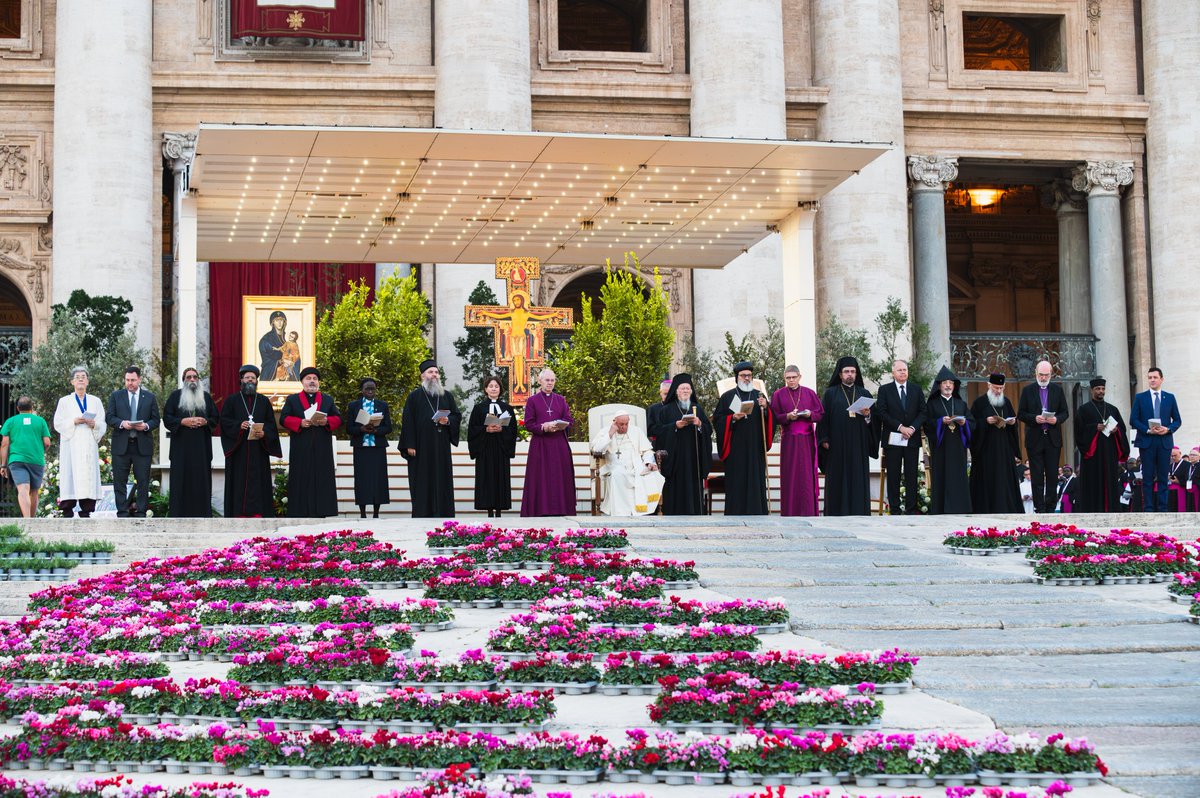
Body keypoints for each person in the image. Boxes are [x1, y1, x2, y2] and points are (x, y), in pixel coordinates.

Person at [399, 359, 461, 518]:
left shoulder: (446, 396)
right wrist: (410, 444)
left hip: (441, 446)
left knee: (442, 481)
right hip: (420, 447)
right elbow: (408, 421)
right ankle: (422, 513)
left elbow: (456, 416)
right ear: (422, 376)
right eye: (430, 372)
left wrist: (447, 421)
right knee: (422, 481)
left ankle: (443, 513)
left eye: (436, 372)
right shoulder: (414, 396)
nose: (434, 375)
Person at [818, 356, 878, 516]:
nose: (850, 374)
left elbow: (873, 423)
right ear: (840, 374)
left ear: (856, 374)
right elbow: (823, 419)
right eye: (846, 372)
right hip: (837, 445)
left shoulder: (864, 393)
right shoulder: (830, 394)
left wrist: (868, 416)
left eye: (852, 372)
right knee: (838, 479)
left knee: (857, 479)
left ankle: (859, 511)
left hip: (859, 446)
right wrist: (824, 439)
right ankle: (836, 512)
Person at [219, 364, 282, 517]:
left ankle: (259, 513)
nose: (250, 380)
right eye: (247, 377)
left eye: (253, 378)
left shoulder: (263, 401)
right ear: (241, 380)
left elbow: (271, 425)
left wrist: (264, 432)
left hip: (258, 450)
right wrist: (239, 426)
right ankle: (238, 513)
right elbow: (225, 421)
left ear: (256, 381)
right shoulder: (231, 400)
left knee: (259, 481)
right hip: (238, 450)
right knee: (238, 482)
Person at [712, 361, 774, 515]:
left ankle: (757, 512)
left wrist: (766, 408)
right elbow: (717, 420)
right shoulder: (727, 397)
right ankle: (735, 513)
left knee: (755, 480)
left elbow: (771, 420)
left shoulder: (759, 396)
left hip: (755, 448)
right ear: (737, 377)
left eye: (749, 376)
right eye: (743, 376)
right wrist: (732, 418)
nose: (746, 378)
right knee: (737, 482)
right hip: (736, 450)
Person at [279, 367, 342, 517]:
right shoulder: (292, 399)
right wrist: (300, 422)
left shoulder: (327, 399)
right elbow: (284, 419)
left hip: (322, 448)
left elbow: (338, 418)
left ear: (318, 382)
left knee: (322, 479)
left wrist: (327, 421)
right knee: (301, 478)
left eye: (315, 378)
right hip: (301, 447)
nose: (312, 381)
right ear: (302, 382)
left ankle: (323, 511)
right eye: (308, 378)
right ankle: (300, 512)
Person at [162, 367, 220, 518]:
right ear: (184, 380)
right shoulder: (175, 397)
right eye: (189, 377)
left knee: (201, 482)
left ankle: (202, 514)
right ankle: (178, 514)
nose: (192, 380)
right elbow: (167, 418)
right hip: (181, 450)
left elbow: (215, 418)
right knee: (181, 482)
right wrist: (182, 421)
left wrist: (205, 421)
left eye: (195, 377)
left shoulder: (206, 398)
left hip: (201, 450)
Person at [52, 366, 107, 518]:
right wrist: (74, 421)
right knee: (70, 476)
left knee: (87, 477)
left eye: (83, 376)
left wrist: (94, 424)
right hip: (71, 445)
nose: (81, 379)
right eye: (77, 377)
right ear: (72, 382)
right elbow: (58, 423)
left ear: (88, 381)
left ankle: (86, 510)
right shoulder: (64, 401)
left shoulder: (95, 401)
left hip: (88, 444)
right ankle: (68, 510)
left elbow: (103, 423)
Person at [521, 368, 577, 516]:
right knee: (541, 478)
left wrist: (560, 424)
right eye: (547, 380)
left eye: (552, 380)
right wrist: (543, 427)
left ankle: (561, 510)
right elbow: (528, 424)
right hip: (540, 446)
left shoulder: (560, 400)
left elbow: (569, 420)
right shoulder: (532, 400)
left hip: (559, 445)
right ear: (540, 381)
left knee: (559, 478)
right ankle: (539, 510)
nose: (550, 383)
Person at [106, 365, 161, 517]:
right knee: (120, 481)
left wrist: (146, 426)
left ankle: (141, 512)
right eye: (127, 380)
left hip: (142, 446)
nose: (130, 383)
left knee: (143, 481)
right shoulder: (116, 396)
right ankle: (122, 512)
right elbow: (109, 417)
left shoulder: (149, 397)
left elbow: (156, 420)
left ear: (139, 380)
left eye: (133, 380)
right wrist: (122, 423)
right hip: (121, 446)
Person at [769, 365, 824, 516]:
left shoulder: (809, 393)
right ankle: (790, 512)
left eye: (794, 377)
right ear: (784, 378)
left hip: (807, 441)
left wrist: (809, 414)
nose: (791, 380)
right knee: (790, 477)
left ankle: (808, 511)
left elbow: (820, 415)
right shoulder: (778, 395)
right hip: (789, 442)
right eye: (788, 378)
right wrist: (787, 416)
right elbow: (773, 417)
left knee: (806, 478)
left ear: (800, 377)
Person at [655, 373, 712, 515]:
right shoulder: (666, 410)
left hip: (694, 458)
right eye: (682, 388)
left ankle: (695, 514)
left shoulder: (697, 408)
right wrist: (674, 426)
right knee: (675, 490)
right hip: (675, 459)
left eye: (688, 388)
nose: (685, 391)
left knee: (693, 488)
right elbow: (658, 432)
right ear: (676, 391)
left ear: (691, 391)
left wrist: (699, 424)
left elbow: (708, 429)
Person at [1017, 360, 1070, 513]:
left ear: (1051, 374)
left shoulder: (1057, 390)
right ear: (1036, 373)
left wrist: (1056, 419)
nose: (1043, 377)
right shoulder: (1028, 390)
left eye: (1046, 375)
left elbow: (1065, 412)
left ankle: (1051, 506)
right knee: (1037, 474)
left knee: (1053, 474)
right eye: (1041, 375)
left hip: (1052, 439)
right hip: (1035, 438)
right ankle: (1039, 507)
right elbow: (1021, 413)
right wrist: (1034, 418)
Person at [1129, 366, 1183, 512]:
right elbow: (1133, 420)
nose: (1152, 380)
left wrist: (1168, 429)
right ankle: (1148, 508)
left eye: (1155, 377)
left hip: (1164, 441)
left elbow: (1177, 420)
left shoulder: (1170, 397)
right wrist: (1147, 429)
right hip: (1147, 441)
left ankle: (1163, 508)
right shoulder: (1141, 397)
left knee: (1163, 477)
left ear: (1161, 379)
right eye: (1150, 378)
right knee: (1147, 477)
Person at [875, 359, 925, 515]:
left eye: (905, 369)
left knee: (911, 475)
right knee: (893, 475)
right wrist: (900, 427)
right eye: (900, 370)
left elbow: (923, 412)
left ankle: (911, 509)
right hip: (893, 439)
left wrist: (911, 428)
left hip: (911, 438)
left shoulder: (916, 389)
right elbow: (882, 412)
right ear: (893, 373)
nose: (903, 372)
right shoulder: (885, 390)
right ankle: (895, 510)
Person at [1072, 377, 1129, 513]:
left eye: (1103, 389)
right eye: (1098, 389)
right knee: (1093, 483)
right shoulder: (1083, 410)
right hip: (1092, 456)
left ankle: (1111, 510)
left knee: (1110, 482)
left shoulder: (1112, 409)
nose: (1101, 391)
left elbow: (1123, 429)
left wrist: (1117, 431)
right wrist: (1094, 428)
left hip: (1109, 453)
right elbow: (1078, 432)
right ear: (1092, 390)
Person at [969, 373, 1023, 514]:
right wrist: (984, 422)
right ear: (989, 385)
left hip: (1004, 451)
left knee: (1004, 481)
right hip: (986, 452)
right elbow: (971, 425)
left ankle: (1007, 508)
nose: (998, 391)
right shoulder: (979, 403)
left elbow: (1013, 426)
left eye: (1001, 388)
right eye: (995, 388)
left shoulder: (1007, 402)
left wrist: (1012, 422)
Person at [590, 412, 664, 515]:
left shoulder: (636, 431)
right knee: (617, 475)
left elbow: (647, 450)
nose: (624, 427)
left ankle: (637, 513)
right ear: (614, 422)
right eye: (621, 424)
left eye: (626, 424)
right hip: (614, 466)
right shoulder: (606, 432)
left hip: (637, 467)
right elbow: (596, 450)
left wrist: (649, 463)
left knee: (653, 475)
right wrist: (610, 434)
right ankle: (620, 514)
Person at [923, 365, 972, 514]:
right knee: (942, 477)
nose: (948, 385)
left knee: (958, 477)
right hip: (941, 448)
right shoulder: (932, 404)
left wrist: (965, 423)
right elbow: (926, 424)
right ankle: (941, 509)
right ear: (939, 385)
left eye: (950, 383)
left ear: (954, 385)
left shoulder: (960, 404)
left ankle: (960, 508)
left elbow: (972, 422)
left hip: (957, 448)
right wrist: (940, 422)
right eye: (945, 383)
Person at [467, 375, 519, 518]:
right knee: (487, 478)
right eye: (491, 386)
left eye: (496, 386)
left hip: (501, 449)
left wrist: (502, 429)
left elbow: (513, 430)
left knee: (500, 478)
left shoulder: (507, 408)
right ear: (485, 389)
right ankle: (489, 511)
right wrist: (486, 429)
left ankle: (499, 511)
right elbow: (472, 429)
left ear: (500, 389)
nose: (494, 388)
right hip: (485, 449)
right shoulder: (479, 408)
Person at [346, 377, 393, 519]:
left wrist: (376, 431)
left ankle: (376, 513)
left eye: (373, 388)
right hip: (361, 448)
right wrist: (361, 429)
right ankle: (363, 513)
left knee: (378, 480)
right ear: (362, 390)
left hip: (377, 448)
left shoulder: (382, 405)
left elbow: (388, 427)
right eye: (368, 388)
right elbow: (349, 428)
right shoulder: (353, 406)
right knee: (362, 480)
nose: (371, 391)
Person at [0, 396, 52, 517]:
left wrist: (3, 465)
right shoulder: (40, 421)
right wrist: (39, 451)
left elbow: (4, 444)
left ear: (18, 408)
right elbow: (47, 442)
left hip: (16, 460)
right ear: (31, 407)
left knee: (23, 489)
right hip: (36, 460)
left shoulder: (10, 421)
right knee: (34, 491)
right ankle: (32, 521)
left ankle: (27, 519)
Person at [259, 310, 300, 381]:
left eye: (281, 320)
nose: (279, 323)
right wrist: (281, 361)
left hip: (288, 375)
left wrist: (292, 361)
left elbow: (296, 356)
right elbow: (266, 359)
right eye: (277, 320)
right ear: (273, 323)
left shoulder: (287, 341)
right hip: (271, 375)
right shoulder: (266, 339)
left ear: (284, 322)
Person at [646, 378, 672, 450]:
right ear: (660, 392)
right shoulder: (652, 409)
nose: (668, 397)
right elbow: (649, 430)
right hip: (659, 446)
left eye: (670, 394)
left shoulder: (679, 408)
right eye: (665, 394)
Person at [1166, 447, 1188, 512]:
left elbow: (1188, 479)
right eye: (1172, 456)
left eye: (1175, 455)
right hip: (1170, 490)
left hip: (1181, 489)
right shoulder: (1170, 465)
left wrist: (1178, 481)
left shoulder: (1187, 465)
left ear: (1180, 454)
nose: (1173, 458)